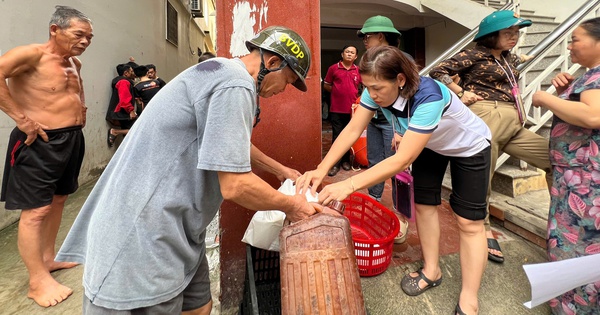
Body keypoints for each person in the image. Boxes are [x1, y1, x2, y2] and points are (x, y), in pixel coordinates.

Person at [56, 26, 318, 314]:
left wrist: (280, 170)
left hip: (181, 228)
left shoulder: (222, 71)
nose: (282, 91)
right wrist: (293, 206)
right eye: (288, 80)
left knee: (199, 306)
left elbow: (225, 141)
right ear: (271, 63)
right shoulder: (237, 85)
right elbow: (235, 186)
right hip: (146, 232)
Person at [296, 46, 492, 315]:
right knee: (424, 206)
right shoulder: (375, 90)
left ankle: (469, 297)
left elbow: (402, 160)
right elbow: (354, 128)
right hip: (431, 144)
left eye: (377, 88)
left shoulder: (429, 96)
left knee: (469, 222)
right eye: (367, 87)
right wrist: (321, 168)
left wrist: (350, 184)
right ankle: (431, 270)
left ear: (400, 80)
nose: (371, 95)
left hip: (468, 146)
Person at [429, 10, 551, 264]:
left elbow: (514, 63)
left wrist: (526, 56)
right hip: (487, 116)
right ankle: (482, 227)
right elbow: (439, 71)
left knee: (554, 159)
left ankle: (561, 219)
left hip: (514, 121)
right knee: (483, 175)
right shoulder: (475, 53)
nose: (514, 37)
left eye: (516, 33)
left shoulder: (506, 58)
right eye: (508, 33)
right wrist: (460, 91)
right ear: (491, 36)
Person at [0, 5, 92, 307]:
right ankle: (36, 283)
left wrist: (82, 108)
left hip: (70, 139)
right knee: (35, 211)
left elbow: (73, 91)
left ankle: (48, 259)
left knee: (59, 200)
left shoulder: (73, 63)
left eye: (89, 37)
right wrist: (21, 118)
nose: (85, 41)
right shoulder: (30, 54)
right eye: (79, 35)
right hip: (38, 140)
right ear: (55, 29)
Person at [532, 17, 600, 315]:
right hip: (576, 175)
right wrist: (568, 89)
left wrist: (546, 98)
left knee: (578, 245)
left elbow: (592, 117)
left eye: (575, 39)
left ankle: (575, 308)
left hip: (586, 181)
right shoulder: (589, 76)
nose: (569, 45)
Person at [357, 15, 410, 244]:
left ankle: (401, 215)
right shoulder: (369, 61)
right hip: (374, 119)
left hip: (395, 124)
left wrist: (401, 131)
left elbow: (409, 99)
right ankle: (375, 200)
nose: (365, 42)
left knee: (397, 168)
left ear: (380, 36)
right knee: (374, 160)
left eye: (368, 37)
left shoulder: (402, 61)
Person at [323, 45, 361, 176]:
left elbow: (364, 86)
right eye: (347, 52)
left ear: (355, 57)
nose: (349, 54)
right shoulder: (333, 68)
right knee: (337, 136)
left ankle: (346, 162)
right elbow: (326, 85)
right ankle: (335, 164)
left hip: (353, 111)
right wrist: (337, 92)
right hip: (337, 109)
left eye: (352, 53)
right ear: (342, 54)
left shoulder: (358, 70)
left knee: (349, 137)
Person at [106, 63, 137, 147]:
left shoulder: (125, 81)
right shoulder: (123, 82)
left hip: (122, 111)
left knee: (130, 134)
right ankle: (115, 132)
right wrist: (131, 111)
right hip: (122, 112)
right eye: (131, 71)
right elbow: (124, 98)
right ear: (126, 73)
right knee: (136, 130)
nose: (133, 73)